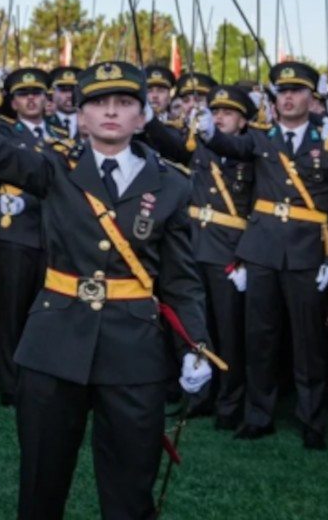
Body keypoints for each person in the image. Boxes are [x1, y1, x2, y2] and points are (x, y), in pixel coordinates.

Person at [0, 52, 215, 519]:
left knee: (130, 490)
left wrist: (196, 344)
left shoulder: (171, 185)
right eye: (98, 102)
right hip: (54, 344)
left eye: (123, 101)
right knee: (41, 484)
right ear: (81, 115)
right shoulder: (54, 167)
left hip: (134, 351)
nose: (110, 111)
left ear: (142, 116)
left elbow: (181, 280)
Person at [196, 60, 328, 450]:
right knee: (259, 339)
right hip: (262, 251)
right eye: (281, 91)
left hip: (306, 253)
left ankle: (312, 420)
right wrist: (206, 131)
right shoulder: (261, 138)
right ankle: (258, 415)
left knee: (309, 343)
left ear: (310, 97)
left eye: (297, 90)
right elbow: (230, 144)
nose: (288, 97)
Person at [146, 84, 257, 430]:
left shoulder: (252, 152)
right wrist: (149, 119)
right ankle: (199, 395)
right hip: (194, 245)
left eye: (228, 113)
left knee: (229, 333)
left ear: (242, 122)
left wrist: (246, 256)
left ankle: (230, 403)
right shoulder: (199, 145)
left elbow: (259, 209)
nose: (220, 117)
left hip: (228, 251)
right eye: (217, 111)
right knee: (195, 329)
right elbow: (169, 146)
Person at [0, 68, 71, 406]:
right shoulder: (3, 132)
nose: (32, 99)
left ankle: (41, 376)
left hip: (51, 232)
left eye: (37, 93)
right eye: (23, 94)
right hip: (16, 230)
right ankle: (10, 383)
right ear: (13, 102)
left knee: (47, 312)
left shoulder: (60, 131)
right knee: (11, 311)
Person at [48, 66, 81, 138]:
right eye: (64, 90)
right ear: (53, 93)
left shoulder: (90, 123)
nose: (69, 95)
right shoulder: (43, 123)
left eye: (74, 90)